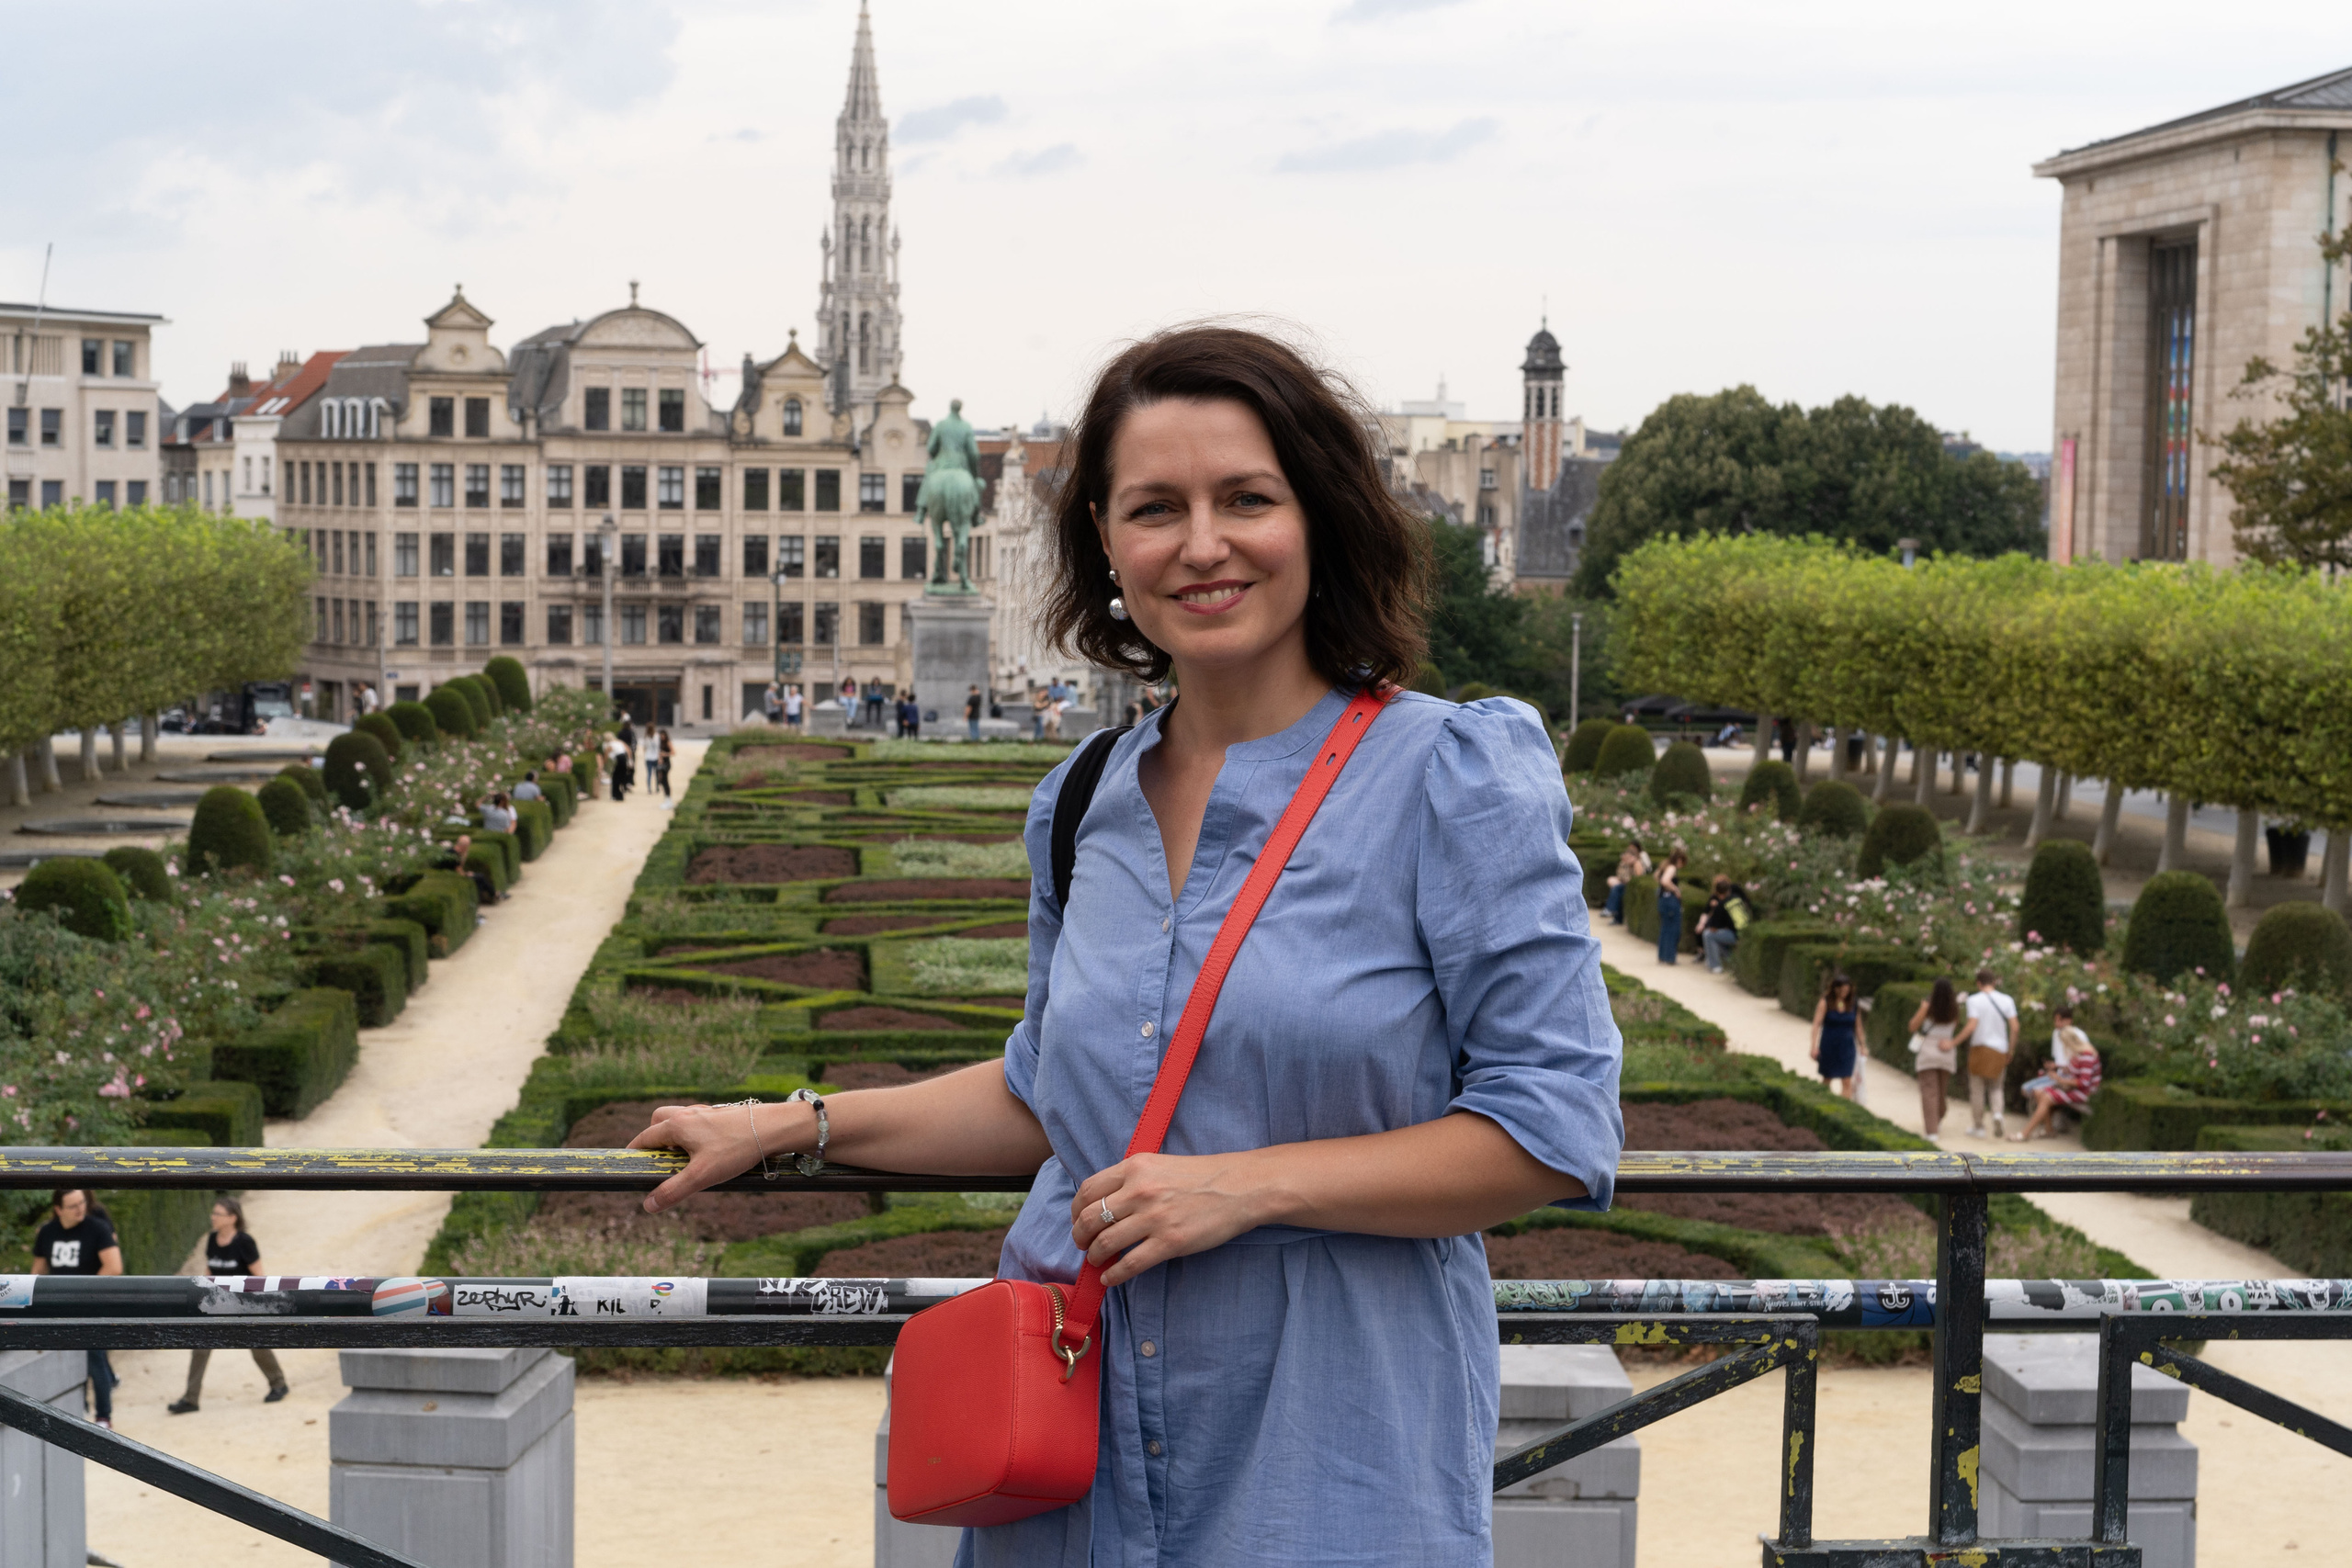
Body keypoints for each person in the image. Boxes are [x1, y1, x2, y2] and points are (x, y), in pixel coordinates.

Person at [626, 323, 1623, 1566]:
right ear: (1105, 541)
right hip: (1068, 1453)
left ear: (1318, 515)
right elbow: (1053, 1092)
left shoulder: (1450, 774)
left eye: (1245, 498)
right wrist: (797, 1122)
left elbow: (1554, 1125)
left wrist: (1243, 1184)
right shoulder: (1082, 796)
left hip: (1322, 1458)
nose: (1201, 544)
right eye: (1156, 507)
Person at [168, 1199, 288, 1413]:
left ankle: (278, 1384)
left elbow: (259, 1277)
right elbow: (209, 1271)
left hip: (245, 1303)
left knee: (258, 1345)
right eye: (213, 1213)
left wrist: (253, 1305)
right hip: (217, 1303)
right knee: (200, 1348)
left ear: (232, 1218)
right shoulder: (213, 1239)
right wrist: (203, 1295)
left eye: (217, 1214)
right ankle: (191, 1399)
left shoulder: (245, 1242)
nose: (212, 1217)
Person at [32, 1189, 121, 1427]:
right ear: (58, 1209)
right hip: (58, 1308)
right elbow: (38, 1270)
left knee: (96, 1361)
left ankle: (104, 1416)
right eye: (73, 1206)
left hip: (91, 1306)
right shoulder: (47, 1232)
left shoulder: (97, 1228)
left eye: (82, 1203)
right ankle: (76, 1412)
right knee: (65, 1361)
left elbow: (114, 1267)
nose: (80, 1208)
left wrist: (83, 1293)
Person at [2015, 1006, 2102, 1142]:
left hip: (2084, 1091)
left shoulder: (2086, 1055)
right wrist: (2060, 1068)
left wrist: (2059, 1079)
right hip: (2073, 1086)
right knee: (2038, 1092)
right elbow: (2075, 1070)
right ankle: (2049, 1130)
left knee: (2046, 1097)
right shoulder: (2078, 1053)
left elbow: (2084, 1082)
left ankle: (2024, 1134)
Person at [1905, 977, 1973, 1142]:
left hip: (1928, 1051)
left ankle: (1932, 1131)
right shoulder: (1954, 1009)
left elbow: (1912, 1027)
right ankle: (1938, 1119)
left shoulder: (1928, 1007)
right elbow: (1954, 1027)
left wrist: (1923, 1009)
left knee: (1929, 1092)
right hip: (1946, 1052)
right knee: (1941, 1093)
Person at [1964, 967, 2018, 1138]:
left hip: (1979, 1048)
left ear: (1978, 983)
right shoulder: (2007, 1000)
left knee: (1977, 1089)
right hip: (1999, 1049)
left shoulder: (1973, 1000)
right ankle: (1997, 1114)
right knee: (1996, 1088)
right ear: (1994, 982)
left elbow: (1972, 1025)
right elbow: (2015, 1027)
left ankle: (1979, 1126)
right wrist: (2011, 1049)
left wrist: (1955, 1041)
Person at [1810, 970, 1860, 1098]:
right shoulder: (1826, 1002)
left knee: (1847, 1080)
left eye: (1847, 990)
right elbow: (1816, 1024)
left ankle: (1844, 1110)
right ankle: (1824, 1105)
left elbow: (1858, 1026)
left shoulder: (1853, 1003)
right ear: (1836, 989)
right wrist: (1813, 1046)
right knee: (1828, 1078)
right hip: (1829, 1044)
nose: (1845, 993)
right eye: (1842, 990)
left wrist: (1863, 1045)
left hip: (1847, 1046)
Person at [1698, 874, 1750, 974]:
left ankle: (1715, 966)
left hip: (1735, 935)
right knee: (1717, 939)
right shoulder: (1737, 897)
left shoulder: (1721, 905)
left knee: (1708, 935)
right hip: (1747, 932)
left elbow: (1713, 928)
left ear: (1717, 893)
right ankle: (1731, 961)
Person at [1602, 840, 1649, 925]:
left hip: (1632, 886)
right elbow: (1620, 874)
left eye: (1629, 857)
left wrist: (1626, 879)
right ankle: (1614, 915)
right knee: (1618, 892)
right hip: (1626, 884)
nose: (1627, 859)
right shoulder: (1625, 863)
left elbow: (1638, 879)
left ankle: (1610, 909)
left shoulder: (1637, 863)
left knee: (1617, 889)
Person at [1655, 849, 1687, 964]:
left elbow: (1657, 876)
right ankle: (1669, 957)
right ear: (1679, 860)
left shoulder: (1665, 865)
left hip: (1663, 899)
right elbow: (1665, 881)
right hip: (1671, 901)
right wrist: (1676, 889)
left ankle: (1663, 956)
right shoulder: (1672, 867)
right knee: (1673, 929)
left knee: (1665, 929)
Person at [656, 728, 675, 798]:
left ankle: (668, 796)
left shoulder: (668, 742)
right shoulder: (659, 743)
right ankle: (666, 795)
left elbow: (673, 752)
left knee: (665, 779)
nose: (662, 737)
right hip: (661, 763)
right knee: (661, 780)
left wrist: (665, 754)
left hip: (666, 763)